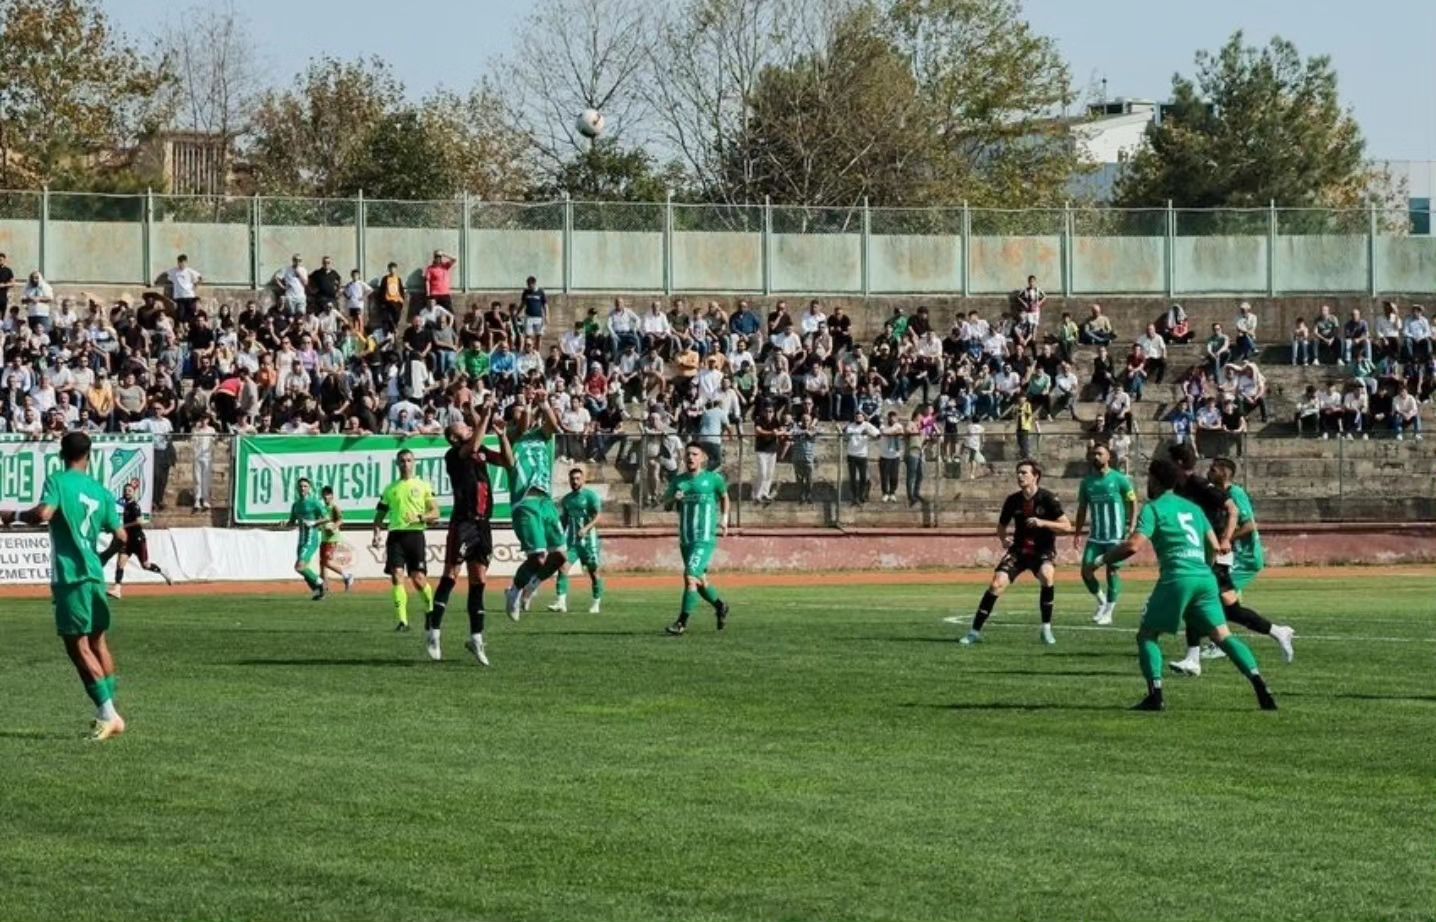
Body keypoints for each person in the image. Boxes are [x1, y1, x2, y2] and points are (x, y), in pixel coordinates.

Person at [1082, 458, 1278, 712]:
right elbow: (1214, 546)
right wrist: (1202, 567)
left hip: (1177, 577)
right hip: (1205, 578)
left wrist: (1100, 560)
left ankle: (1155, 695)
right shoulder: (1193, 509)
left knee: (1147, 635)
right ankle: (1260, 684)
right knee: (1223, 636)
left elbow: (1133, 545)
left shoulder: (1154, 508)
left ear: (1154, 479)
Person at [22, 432, 130, 740]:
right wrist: (100, 556)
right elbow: (122, 537)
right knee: (98, 641)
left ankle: (109, 714)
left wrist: (13, 514)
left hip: (71, 576)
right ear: (90, 455)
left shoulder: (58, 481)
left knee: (77, 646)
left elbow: (44, 514)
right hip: (95, 575)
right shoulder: (100, 491)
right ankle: (109, 712)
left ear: (61, 454)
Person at [1165, 446, 1295, 676]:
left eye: (1214, 468)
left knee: (1197, 603)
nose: (1209, 471)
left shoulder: (1220, 491)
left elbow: (1242, 519)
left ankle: (1196, 656)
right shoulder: (1191, 488)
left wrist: (1225, 539)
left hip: (1228, 556)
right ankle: (1277, 631)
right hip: (1214, 555)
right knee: (1230, 609)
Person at [425, 398, 510, 664]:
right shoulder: (455, 454)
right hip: (463, 522)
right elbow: (471, 444)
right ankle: (433, 630)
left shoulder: (480, 448)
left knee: (479, 580)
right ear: (453, 437)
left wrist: (504, 436)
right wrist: (484, 414)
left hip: (483, 524)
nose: (468, 428)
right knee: (451, 573)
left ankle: (476, 639)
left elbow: (508, 461)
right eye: (463, 427)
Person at [959, 460, 1072, 646]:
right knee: (996, 584)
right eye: (1018, 473)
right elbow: (1001, 526)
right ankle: (974, 632)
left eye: (1024, 473)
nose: (1020, 476)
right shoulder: (1013, 500)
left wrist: (1043, 523)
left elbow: (1067, 526)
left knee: (1047, 575)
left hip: (1041, 550)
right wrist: (1003, 539)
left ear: (1036, 476)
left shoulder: (1048, 499)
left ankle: (1046, 629)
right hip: (1019, 551)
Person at [503, 391, 568, 619]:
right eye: (518, 411)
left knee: (560, 556)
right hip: (526, 501)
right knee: (538, 556)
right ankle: (514, 590)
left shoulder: (541, 435)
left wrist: (544, 403)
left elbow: (553, 424)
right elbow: (522, 425)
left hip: (546, 501)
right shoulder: (512, 436)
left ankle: (532, 584)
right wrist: (528, 405)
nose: (523, 413)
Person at [663, 443, 731, 635]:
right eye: (688, 454)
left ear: (703, 458)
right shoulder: (679, 481)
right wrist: (673, 499)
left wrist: (724, 520)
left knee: (690, 576)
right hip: (686, 539)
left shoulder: (713, 479)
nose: (690, 457)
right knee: (699, 581)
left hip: (704, 538)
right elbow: (666, 505)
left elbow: (725, 496)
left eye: (695, 454)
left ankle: (681, 623)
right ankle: (720, 606)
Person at [371, 449, 440, 631]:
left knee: (418, 579)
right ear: (397, 464)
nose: (406, 464)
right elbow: (379, 515)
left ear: (414, 463)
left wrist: (420, 518)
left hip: (415, 535)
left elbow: (436, 513)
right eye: (402, 461)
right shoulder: (390, 489)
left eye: (409, 460)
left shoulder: (423, 485)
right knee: (396, 576)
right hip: (395, 536)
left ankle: (430, 611)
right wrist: (376, 532)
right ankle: (403, 621)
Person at [1073, 442, 1137, 626]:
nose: (1096, 457)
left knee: (1113, 571)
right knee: (1086, 570)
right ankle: (1101, 602)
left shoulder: (1120, 479)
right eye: (1094, 454)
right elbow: (1082, 509)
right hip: (1096, 536)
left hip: (1116, 535)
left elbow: (1132, 502)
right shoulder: (1087, 483)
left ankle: (1109, 611)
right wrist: (1077, 532)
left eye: (1100, 453)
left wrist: (1131, 526)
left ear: (1109, 457)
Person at [550, 466, 605, 614]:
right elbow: (564, 520)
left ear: (583, 480)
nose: (574, 481)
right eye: (572, 479)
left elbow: (598, 516)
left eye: (577, 478)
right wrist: (558, 536)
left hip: (589, 541)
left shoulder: (590, 496)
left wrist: (586, 528)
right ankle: (561, 602)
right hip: (572, 542)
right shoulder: (567, 500)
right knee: (563, 567)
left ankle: (596, 602)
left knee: (594, 572)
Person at [104, 481, 172, 598]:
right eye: (125, 491)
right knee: (120, 563)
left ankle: (162, 571)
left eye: (129, 491)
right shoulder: (126, 506)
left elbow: (139, 521)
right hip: (128, 540)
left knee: (145, 565)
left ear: (134, 492)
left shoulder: (135, 506)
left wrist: (123, 527)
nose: (127, 493)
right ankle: (117, 589)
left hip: (138, 539)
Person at [286, 477, 330, 601]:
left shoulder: (315, 502)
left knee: (299, 566)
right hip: (301, 539)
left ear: (309, 488)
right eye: (300, 486)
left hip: (311, 538)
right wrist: (285, 523)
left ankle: (321, 584)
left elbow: (327, 517)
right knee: (301, 568)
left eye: (305, 486)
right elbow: (291, 521)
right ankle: (319, 591)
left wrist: (314, 522)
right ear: (297, 488)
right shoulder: (296, 505)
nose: (302, 488)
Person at [317, 486, 355, 593]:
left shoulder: (334, 507)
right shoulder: (323, 508)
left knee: (327, 562)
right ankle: (325, 587)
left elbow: (341, 520)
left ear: (332, 496)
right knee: (322, 563)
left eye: (328, 494)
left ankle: (347, 576)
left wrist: (334, 526)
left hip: (332, 538)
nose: (325, 497)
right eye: (324, 494)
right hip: (324, 538)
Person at [842, 411, 880, 505]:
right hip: (852, 455)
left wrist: (869, 433)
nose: (858, 419)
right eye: (857, 417)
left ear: (863, 418)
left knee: (863, 477)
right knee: (853, 478)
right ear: (854, 418)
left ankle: (861, 495)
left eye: (860, 417)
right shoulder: (850, 426)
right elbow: (845, 438)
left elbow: (878, 435)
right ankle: (854, 497)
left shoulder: (867, 425)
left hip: (862, 455)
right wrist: (845, 433)